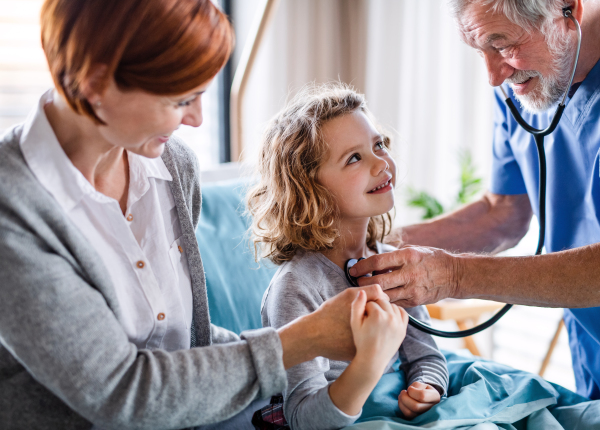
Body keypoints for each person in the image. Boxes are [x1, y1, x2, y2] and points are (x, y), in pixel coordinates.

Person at [0, 1, 392, 428]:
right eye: (180, 98)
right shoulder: (14, 211)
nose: (198, 119)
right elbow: (122, 393)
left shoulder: (174, 167)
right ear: (95, 84)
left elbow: (187, 340)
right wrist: (300, 340)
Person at [349, 0, 600, 400]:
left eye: (501, 46)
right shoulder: (524, 86)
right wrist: (373, 246)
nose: (493, 77)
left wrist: (453, 276)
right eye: (479, 50)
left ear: (568, 11)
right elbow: (504, 214)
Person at [247, 84, 448, 429]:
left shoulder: (394, 265)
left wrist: (427, 387)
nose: (381, 162)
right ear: (309, 191)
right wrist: (369, 362)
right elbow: (302, 416)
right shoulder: (297, 287)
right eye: (354, 157)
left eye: (379, 145)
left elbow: (427, 355)